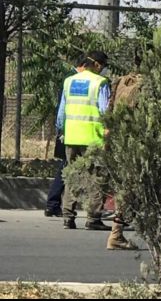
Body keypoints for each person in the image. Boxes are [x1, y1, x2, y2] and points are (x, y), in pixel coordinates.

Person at [59, 51, 111, 231]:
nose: (103, 69)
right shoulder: (100, 83)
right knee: (97, 178)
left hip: (72, 136)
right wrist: (108, 133)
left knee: (73, 176)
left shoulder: (69, 81)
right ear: (96, 64)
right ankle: (93, 218)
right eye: (103, 66)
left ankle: (68, 217)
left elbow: (62, 112)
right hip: (93, 138)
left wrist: (63, 130)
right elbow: (105, 111)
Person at [104, 49, 146, 250]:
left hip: (119, 141)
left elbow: (109, 111)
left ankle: (117, 232)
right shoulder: (146, 85)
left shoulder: (121, 82)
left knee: (125, 187)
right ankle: (118, 233)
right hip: (138, 143)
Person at [44, 61, 80, 218]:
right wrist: (61, 129)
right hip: (70, 131)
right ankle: (53, 204)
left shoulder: (69, 78)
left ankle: (54, 204)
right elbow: (63, 107)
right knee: (66, 167)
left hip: (68, 130)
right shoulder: (72, 79)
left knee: (65, 167)